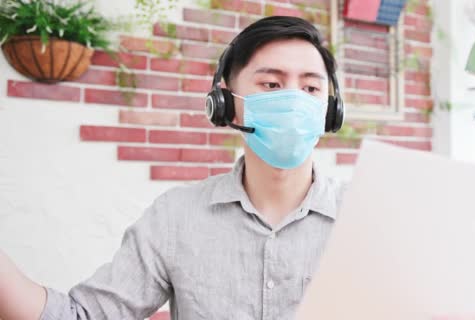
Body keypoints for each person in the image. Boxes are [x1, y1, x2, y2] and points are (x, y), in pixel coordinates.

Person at [0, 15, 346, 320]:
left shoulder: (363, 218)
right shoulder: (176, 217)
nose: (294, 101)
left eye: (310, 88)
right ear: (226, 104)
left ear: (329, 112)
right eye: (271, 84)